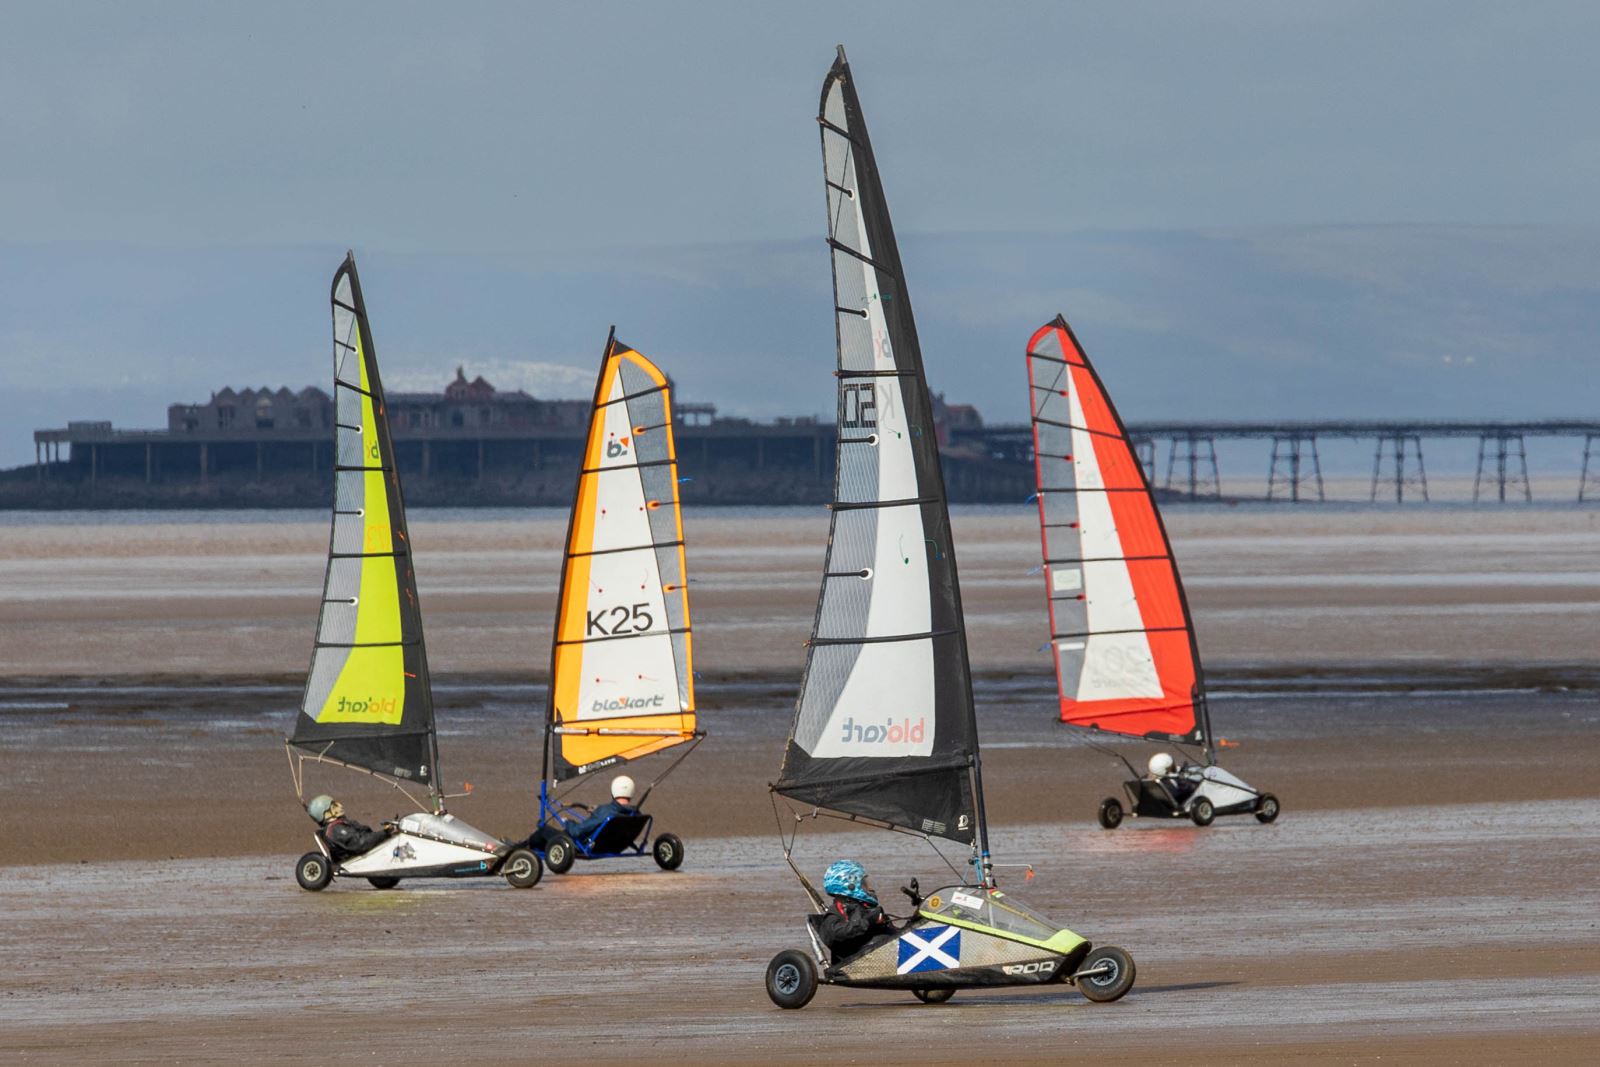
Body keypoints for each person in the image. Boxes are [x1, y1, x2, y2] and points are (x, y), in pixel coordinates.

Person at [815, 859, 897, 963]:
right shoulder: (837, 911)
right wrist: (868, 922)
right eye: (864, 884)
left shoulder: (867, 909)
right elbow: (834, 934)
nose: (869, 889)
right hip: (860, 963)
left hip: (884, 953)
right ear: (850, 886)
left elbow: (895, 934)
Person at [529, 774, 641, 848]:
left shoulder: (606, 812)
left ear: (613, 790)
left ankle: (519, 849)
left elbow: (576, 832)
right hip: (614, 845)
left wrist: (568, 822)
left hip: (582, 844)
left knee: (542, 829)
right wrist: (597, 812)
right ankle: (522, 846)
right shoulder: (635, 814)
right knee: (545, 837)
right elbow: (610, 812)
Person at [308, 794, 395, 861]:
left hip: (366, 852)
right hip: (360, 856)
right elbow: (360, 843)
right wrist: (385, 833)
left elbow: (364, 835)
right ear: (325, 814)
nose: (340, 806)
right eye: (334, 806)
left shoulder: (342, 824)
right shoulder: (336, 830)